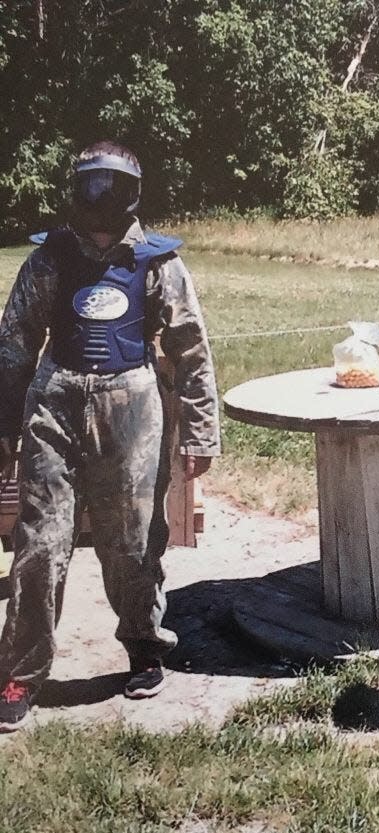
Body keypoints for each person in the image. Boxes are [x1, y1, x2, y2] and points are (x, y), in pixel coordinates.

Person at [0, 141, 221, 731]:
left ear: (132, 194)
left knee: (132, 545)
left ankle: (145, 648)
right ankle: (21, 672)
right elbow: (15, 348)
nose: (101, 202)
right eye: (91, 187)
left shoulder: (159, 261)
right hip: (55, 404)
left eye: (113, 189)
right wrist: (3, 430)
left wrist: (199, 433)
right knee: (40, 546)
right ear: (75, 191)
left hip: (133, 406)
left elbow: (191, 352)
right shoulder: (48, 260)